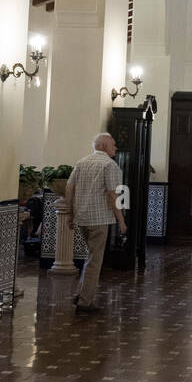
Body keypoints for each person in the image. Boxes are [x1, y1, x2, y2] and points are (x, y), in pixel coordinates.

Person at [64, 133, 126, 312]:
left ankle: (81, 293)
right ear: (104, 147)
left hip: (82, 218)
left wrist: (70, 214)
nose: (115, 148)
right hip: (99, 220)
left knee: (90, 257)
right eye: (113, 145)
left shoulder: (81, 162)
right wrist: (121, 220)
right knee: (94, 261)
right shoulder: (109, 165)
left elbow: (69, 188)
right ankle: (85, 302)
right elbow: (112, 194)